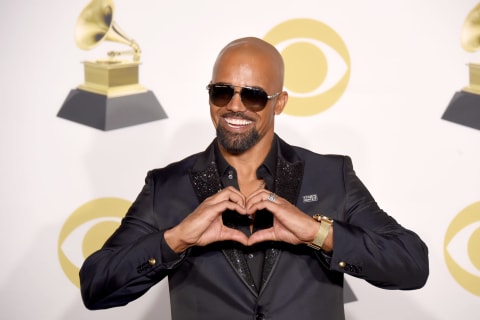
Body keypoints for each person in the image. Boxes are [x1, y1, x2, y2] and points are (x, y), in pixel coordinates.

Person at [79, 37, 429, 320]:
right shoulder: (167, 185)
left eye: (254, 95)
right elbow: (95, 287)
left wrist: (318, 233)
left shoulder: (330, 176)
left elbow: (412, 265)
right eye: (221, 91)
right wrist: (176, 239)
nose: (234, 105)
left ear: (279, 103)